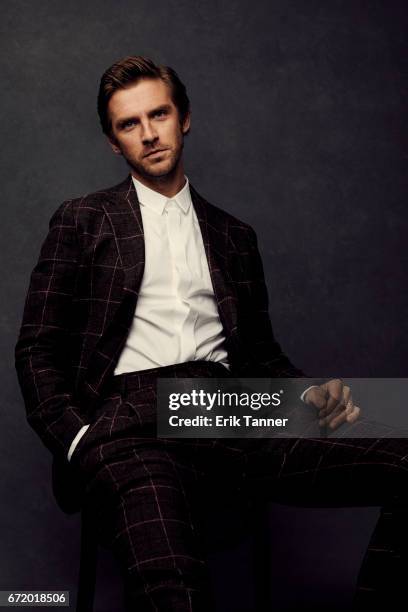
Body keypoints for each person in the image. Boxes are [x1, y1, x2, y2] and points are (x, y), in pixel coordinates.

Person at [15, 55, 406, 611]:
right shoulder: (83, 220)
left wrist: (310, 391)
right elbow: (37, 351)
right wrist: (79, 440)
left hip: (234, 407)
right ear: (113, 142)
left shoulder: (234, 236)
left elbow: (264, 356)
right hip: (133, 417)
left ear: (185, 118)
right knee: (175, 591)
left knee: (401, 424)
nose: (149, 134)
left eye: (159, 115)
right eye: (130, 124)